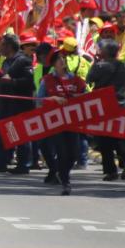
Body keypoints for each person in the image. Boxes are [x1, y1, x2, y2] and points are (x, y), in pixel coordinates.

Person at [38, 50, 87, 195]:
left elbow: (86, 96)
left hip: (73, 121)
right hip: (55, 122)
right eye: (59, 59)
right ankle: (66, 182)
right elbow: (39, 100)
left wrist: (78, 96)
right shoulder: (46, 80)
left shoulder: (76, 80)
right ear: (53, 63)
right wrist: (53, 99)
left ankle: (60, 172)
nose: (62, 61)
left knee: (74, 152)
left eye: (63, 58)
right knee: (61, 151)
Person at [0, 33, 35, 173]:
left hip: (19, 105)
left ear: (9, 46)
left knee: (21, 135)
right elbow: (4, 76)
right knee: (4, 133)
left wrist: (12, 82)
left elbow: (29, 82)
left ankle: (24, 165)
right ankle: (1, 162)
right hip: (5, 103)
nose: (0, 47)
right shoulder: (6, 61)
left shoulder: (23, 61)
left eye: (2, 44)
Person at [86, 39, 125, 180]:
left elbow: (89, 79)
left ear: (105, 51)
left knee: (105, 139)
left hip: (104, 105)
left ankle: (111, 170)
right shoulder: (122, 65)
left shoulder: (99, 66)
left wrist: (95, 62)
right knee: (120, 136)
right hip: (121, 103)